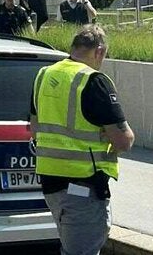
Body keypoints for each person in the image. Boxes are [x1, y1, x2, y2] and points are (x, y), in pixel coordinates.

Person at [30, 25, 134, 255]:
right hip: (83, 184)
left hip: (51, 184)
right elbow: (124, 140)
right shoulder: (93, 81)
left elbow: (35, 128)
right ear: (99, 51)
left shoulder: (44, 75)